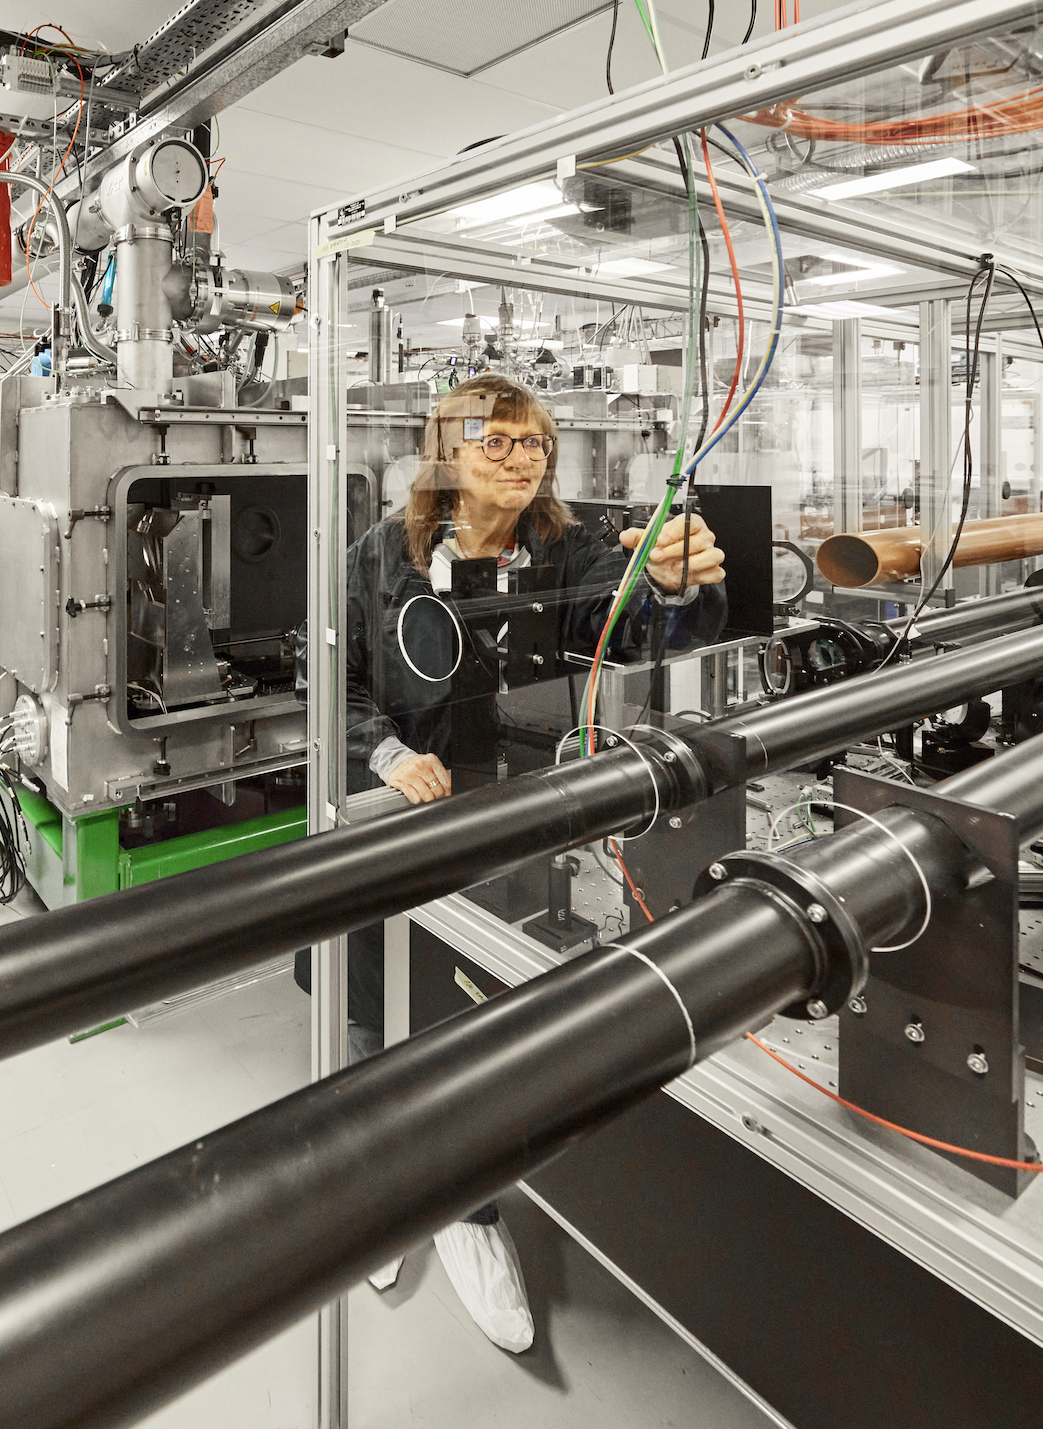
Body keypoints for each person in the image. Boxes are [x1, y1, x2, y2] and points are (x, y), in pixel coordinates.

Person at [307, 373, 727, 1353]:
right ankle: (384, 1192)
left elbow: (645, 632)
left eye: (533, 442)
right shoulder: (378, 556)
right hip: (401, 817)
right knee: (374, 1009)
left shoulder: (566, 551)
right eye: (494, 441)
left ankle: (467, 1208)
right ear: (445, 454)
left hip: (521, 822)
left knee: (480, 1016)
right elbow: (328, 675)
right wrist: (385, 753)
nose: (521, 457)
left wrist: (683, 581)